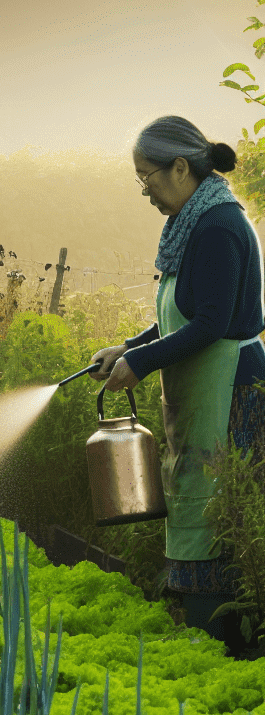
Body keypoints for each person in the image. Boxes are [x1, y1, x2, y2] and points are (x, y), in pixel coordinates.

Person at [90, 115, 265, 658]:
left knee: (223, 514)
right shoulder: (194, 221)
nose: (145, 191)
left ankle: (227, 646)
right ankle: (208, 641)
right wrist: (130, 346)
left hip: (232, 395)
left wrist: (142, 364)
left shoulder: (218, 227)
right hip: (209, 389)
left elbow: (211, 322)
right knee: (203, 505)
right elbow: (182, 313)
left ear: (181, 167)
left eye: (149, 177)